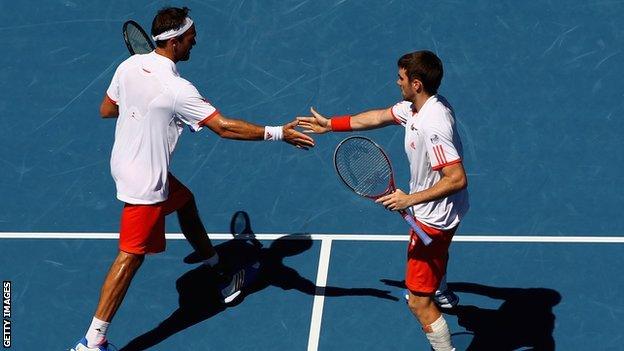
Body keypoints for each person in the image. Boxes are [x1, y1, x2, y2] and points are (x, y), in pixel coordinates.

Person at [71, 7, 315, 351]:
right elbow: (224, 127)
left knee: (185, 201)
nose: (195, 41)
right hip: (146, 182)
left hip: (123, 164)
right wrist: (278, 133)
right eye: (190, 37)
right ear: (173, 42)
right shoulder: (177, 89)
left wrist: (147, 111)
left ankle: (216, 267)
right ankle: (92, 341)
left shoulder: (127, 68)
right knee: (130, 257)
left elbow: (107, 109)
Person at [297, 50, 468, 351]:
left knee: (417, 303)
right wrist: (331, 125)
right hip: (447, 212)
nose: (396, 82)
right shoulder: (417, 107)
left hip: (432, 219)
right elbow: (378, 116)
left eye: (401, 78)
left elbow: (455, 179)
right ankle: (440, 289)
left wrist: (408, 200)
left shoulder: (433, 124)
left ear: (416, 84)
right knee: (439, 254)